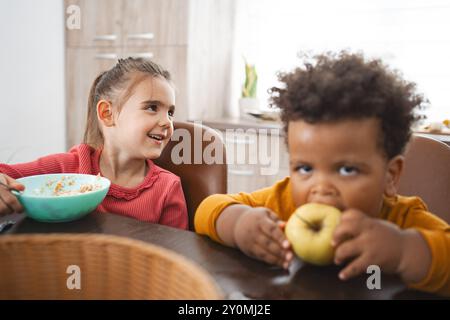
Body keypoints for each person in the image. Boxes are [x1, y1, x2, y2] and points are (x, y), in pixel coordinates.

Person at [194, 51, 450, 296]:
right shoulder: (284, 203)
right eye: (305, 168)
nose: (321, 187)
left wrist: (403, 250)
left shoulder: (401, 220)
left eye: (347, 169)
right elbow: (208, 208)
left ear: (390, 176)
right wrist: (239, 224)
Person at [0, 57, 188, 230]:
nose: (167, 122)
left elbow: (176, 255)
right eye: (152, 107)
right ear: (107, 113)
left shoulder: (168, 188)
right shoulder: (66, 167)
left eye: (170, 112)